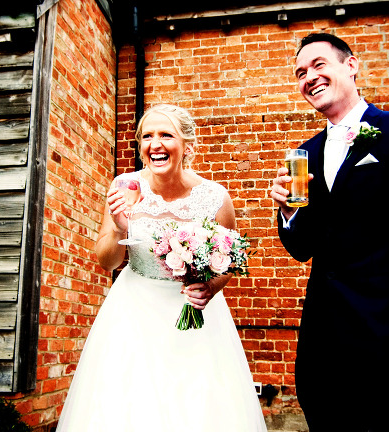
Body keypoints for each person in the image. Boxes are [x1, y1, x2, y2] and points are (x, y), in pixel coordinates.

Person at [269, 33, 389, 431]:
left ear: (351, 65)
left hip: (388, 348)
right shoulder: (306, 154)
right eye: (301, 72)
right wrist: (288, 213)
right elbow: (304, 248)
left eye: (319, 64)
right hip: (324, 354)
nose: (309, 77)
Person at [56, 104, 267, 432]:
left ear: (187, 145)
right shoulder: (124, 188)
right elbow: (108, 260)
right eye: (147, 136)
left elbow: (232, 258)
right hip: (132, 312)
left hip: (195, 320)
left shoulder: (214, 198)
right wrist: (117, 227)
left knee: (198, 409)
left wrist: (209, 287)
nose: (155, 143)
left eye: (166, 135)